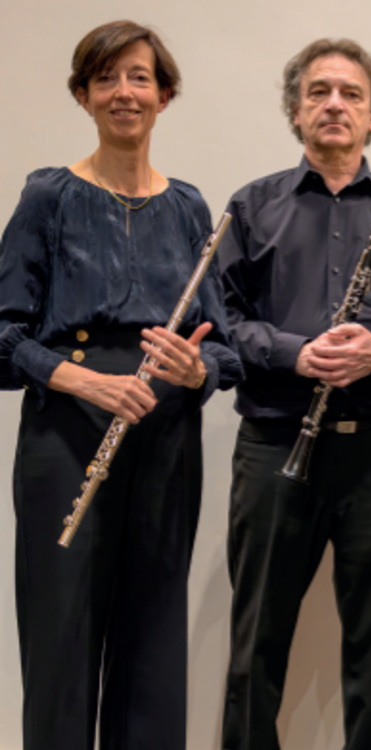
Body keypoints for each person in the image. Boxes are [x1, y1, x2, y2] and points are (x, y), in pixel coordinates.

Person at [0, 20, 242, 750]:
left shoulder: (193, 207)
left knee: (153, 640)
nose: (124, 92)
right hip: (66, 434)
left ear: (164, 95)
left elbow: (225, 347)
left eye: (139, 77)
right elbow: (3, 333)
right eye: (106, 78)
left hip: (166, 435)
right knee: (63, 635)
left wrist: (197, 371)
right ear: (83, 95)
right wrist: (86, 381)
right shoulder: (49, 195)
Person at [216, 39, 371, 750]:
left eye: (351, 94)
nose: (334, 104)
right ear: (296, 110)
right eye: (319, 91)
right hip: (272, 445)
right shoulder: (251, 205)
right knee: (255, 639)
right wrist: (298, 355)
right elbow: (222, 324)